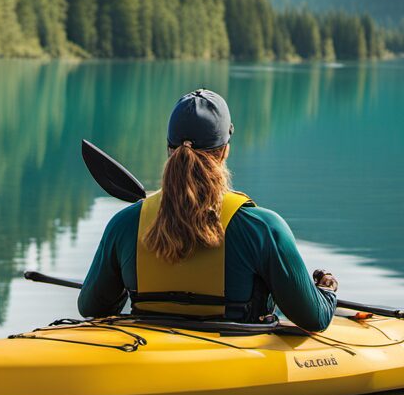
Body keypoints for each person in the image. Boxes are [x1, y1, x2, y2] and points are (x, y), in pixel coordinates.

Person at [78, 88, 338, 331]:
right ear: (224, 151)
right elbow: (313, 318)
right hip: (235, 364)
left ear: (170, 149)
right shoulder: (262, 227)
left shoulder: (125, 224)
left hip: (146, 357)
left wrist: (126, 278)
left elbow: (92, 307)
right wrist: (327, 292)